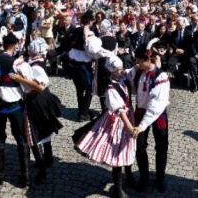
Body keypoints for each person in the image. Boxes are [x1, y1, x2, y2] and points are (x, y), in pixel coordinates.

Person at [73, 56, 136, 198]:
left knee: (128, 148)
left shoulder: (122, 77)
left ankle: (130, 176)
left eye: (121, 68)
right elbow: (118, 110)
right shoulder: (111, 88)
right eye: (119, 69)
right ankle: (119, 189)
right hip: (119, 121)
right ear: (112, 71)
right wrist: (129, 126)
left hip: (128, 115)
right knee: (118, 152)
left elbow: (132, 71)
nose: (122, 71)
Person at [0, 33, 33, 188]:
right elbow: (28, 85)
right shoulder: (19, 64)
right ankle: (25, 176)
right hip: (14, 106)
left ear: (3, 45)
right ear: (15, 46)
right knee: (21, 138)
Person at [14, 38, 62, 184]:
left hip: (37, 99)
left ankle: (42, 168)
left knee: (33, 132)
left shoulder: (36, 67)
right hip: (43, 98)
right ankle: (48, 159)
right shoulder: (38, 60)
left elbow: (39, 85)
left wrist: (19, 79)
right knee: (44, 127)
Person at [128, 46, 170, 193]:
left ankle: (160, 177)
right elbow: (123, 74)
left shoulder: (161, 76)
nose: (137, 63)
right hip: (140, 111)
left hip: (157, 113)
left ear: (147, 59)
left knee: (161, 146)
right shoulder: (138, 71)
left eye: (139, 60)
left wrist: (143, 125)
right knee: (139, 147)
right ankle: (144, 177)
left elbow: (156, 105)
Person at [68, 10, 96, 121]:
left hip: (73, 64)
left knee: (79, 89)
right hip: (83, 66)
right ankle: (83, 112)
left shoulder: (76, 30)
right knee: (89, 88)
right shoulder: (89, 32)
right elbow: (91, 48)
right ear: (90, 21)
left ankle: (81, 110)